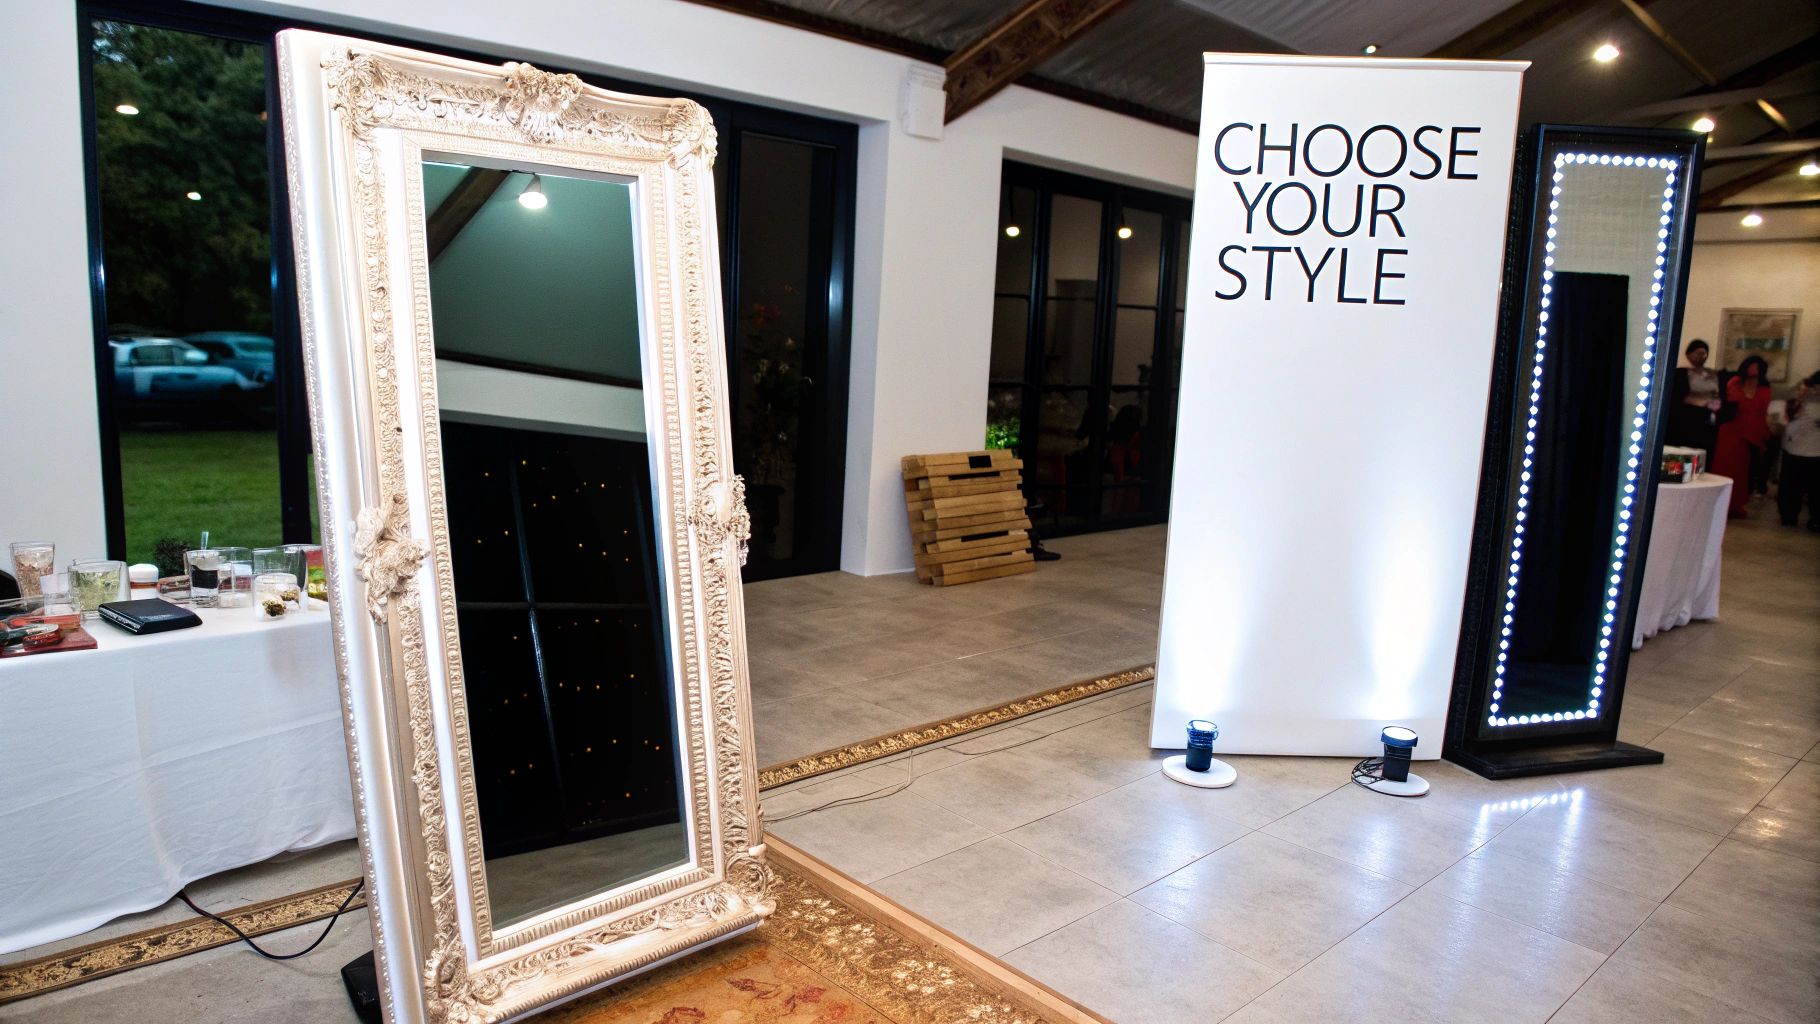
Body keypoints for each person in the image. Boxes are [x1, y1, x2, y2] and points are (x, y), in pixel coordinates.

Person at [1712, 355, 1773, 517]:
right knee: (1724, 465)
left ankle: (1736, 504)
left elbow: (1764, 412)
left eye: (1757, 367)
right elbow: (1724, 402)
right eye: (1751, 366)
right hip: (1730, 428)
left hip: (1751, 431)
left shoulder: (1765, 388)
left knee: (1743, 469)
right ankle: (1719, 503)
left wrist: (1764, 434)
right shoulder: (1735, 382)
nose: (1753, 370)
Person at [1780, 369, 1820, 530]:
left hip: (1816, 451)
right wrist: (1801, 396)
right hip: (1794, 448)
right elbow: (1787, 414)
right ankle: (1789, 516)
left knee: (1816, 490)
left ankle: (1815, 519)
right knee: (1791, 487)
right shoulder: (1799, 396)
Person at [1667, 338, 1721, 457]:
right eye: (1697, 353)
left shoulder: (1712, 374)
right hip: (1686, 419)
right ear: (1689, 354)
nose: (1701, 356)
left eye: (1703, 353)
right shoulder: (1680, 373)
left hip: (1707, 419)